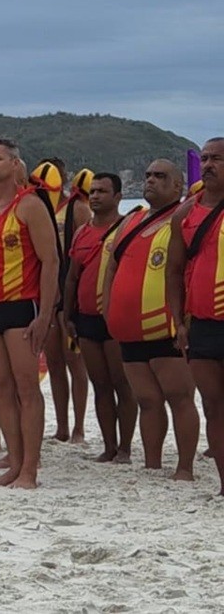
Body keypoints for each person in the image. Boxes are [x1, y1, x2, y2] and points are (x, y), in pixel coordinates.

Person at [0, 137, 60, 489]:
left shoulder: (30, 205)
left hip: (23, 305)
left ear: (15, 165)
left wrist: (46, 314)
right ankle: (14, 463)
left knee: (26, 389)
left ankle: (30, 471)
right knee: (0, 388)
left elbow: (50, 262)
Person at [102, 159, 198, 482]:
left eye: (161, 176)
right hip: (129, 329)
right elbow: (112, 267)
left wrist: (185, 320)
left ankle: (184, 468)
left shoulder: (185, 219)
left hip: (166, 325)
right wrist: (108, 310)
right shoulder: (132, 221)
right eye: (147, 175)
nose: (151, 181)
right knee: (147, 400)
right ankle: (152, 465)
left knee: (179, 397)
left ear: (177, 186)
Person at [64, 173, 136, 463]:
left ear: (118, 197)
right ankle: (109, 446)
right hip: (86, 318)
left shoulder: (126, 228)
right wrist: (67, 314)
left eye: (102, 191)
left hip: (116, 318)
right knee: (100, 384)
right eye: (92, 191)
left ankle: (126, 448)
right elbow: (71, 278)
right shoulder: (81, 232)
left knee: (122, 383)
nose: (95, 196)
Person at [167, 138, 224, 494]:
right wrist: (179, 322)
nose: (208, 165)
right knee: (214, 407)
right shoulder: (185, 214)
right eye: (204, 159)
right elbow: (173, 272)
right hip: (201, 324)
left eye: (216, 158)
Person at [40, 158, 91, 444]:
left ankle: (79, 427)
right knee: (55, 363)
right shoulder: (37, 206)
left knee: (75, 363)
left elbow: (85, 253)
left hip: (69, 289)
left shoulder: (76, 207)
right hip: (49, 289)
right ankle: (61, 425)